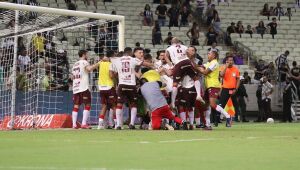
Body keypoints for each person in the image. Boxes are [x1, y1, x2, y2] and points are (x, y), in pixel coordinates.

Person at [110, 47, 153, 130]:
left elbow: (108, 59)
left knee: (119, 104)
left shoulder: (117, 60)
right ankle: (132, 124)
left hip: (121, 84)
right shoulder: (133, 59)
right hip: (131, 84)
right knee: (133, 104)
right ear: (130, 53)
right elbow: (143, 63)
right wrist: (152, 64)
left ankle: (118, 125)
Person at [164, 37, 204, 109]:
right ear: (179, 42)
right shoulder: (184, 46)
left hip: (178, 64)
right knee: (196, 78)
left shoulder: (169, 48)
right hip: (187, 62)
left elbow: (166, 57)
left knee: (175, 84)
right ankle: (199, 95)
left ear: (171, 42)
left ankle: (173, 103)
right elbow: (190, 54)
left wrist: (171, 65)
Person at [198, 51, 232, 127]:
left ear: (214, 56)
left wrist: (200, 70)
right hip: (208, 86)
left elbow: (205, 72)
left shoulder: (215, 63)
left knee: (212, 104)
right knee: (205, 105)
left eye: (209, 53)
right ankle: (207, 123)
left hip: (213, 85)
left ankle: (228, 116)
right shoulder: (208, 63)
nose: (208, 54)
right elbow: (201, 67)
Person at [71, 50, 100, 129]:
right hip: (83, 87)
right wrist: (98, 63)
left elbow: (72, 77)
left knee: (76, 105)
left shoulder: (74, 64)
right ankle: (83, 123)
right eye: (87, 54)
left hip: (76, 87)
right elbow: (89, 69)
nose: (88, 55)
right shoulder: (84, 62)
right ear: (84, 55)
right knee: (87, 104)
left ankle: (74, 125)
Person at [97, 50, 117, 129]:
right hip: (109, 86)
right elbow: (111, 76)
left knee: (104, 105)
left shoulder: (101, 63)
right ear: (112, 56)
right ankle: (116, 124)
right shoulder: (111, 64)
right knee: (114, 105)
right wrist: (116, 73)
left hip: (101, 87)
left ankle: (100, 124)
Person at [219, 55, 240, 124]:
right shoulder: (222, 67)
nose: (231, 62)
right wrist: (226, 67)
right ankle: (217, 119)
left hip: (233, 90)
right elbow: (221, 75)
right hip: (225, 89)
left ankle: (236, 118)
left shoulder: (236, 69)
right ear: (226, 61)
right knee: (221, 104)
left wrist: (236, 89)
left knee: (236, 104)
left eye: (232, 60)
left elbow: (238, 80)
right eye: (229, 60)